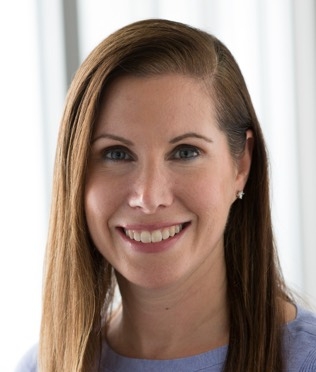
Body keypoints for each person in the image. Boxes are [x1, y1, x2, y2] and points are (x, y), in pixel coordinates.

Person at [16, 19, 316, 372]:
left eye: (185, 152)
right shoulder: (43, 365)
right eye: (116, 154)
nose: (148, 196)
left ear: (241, 164)